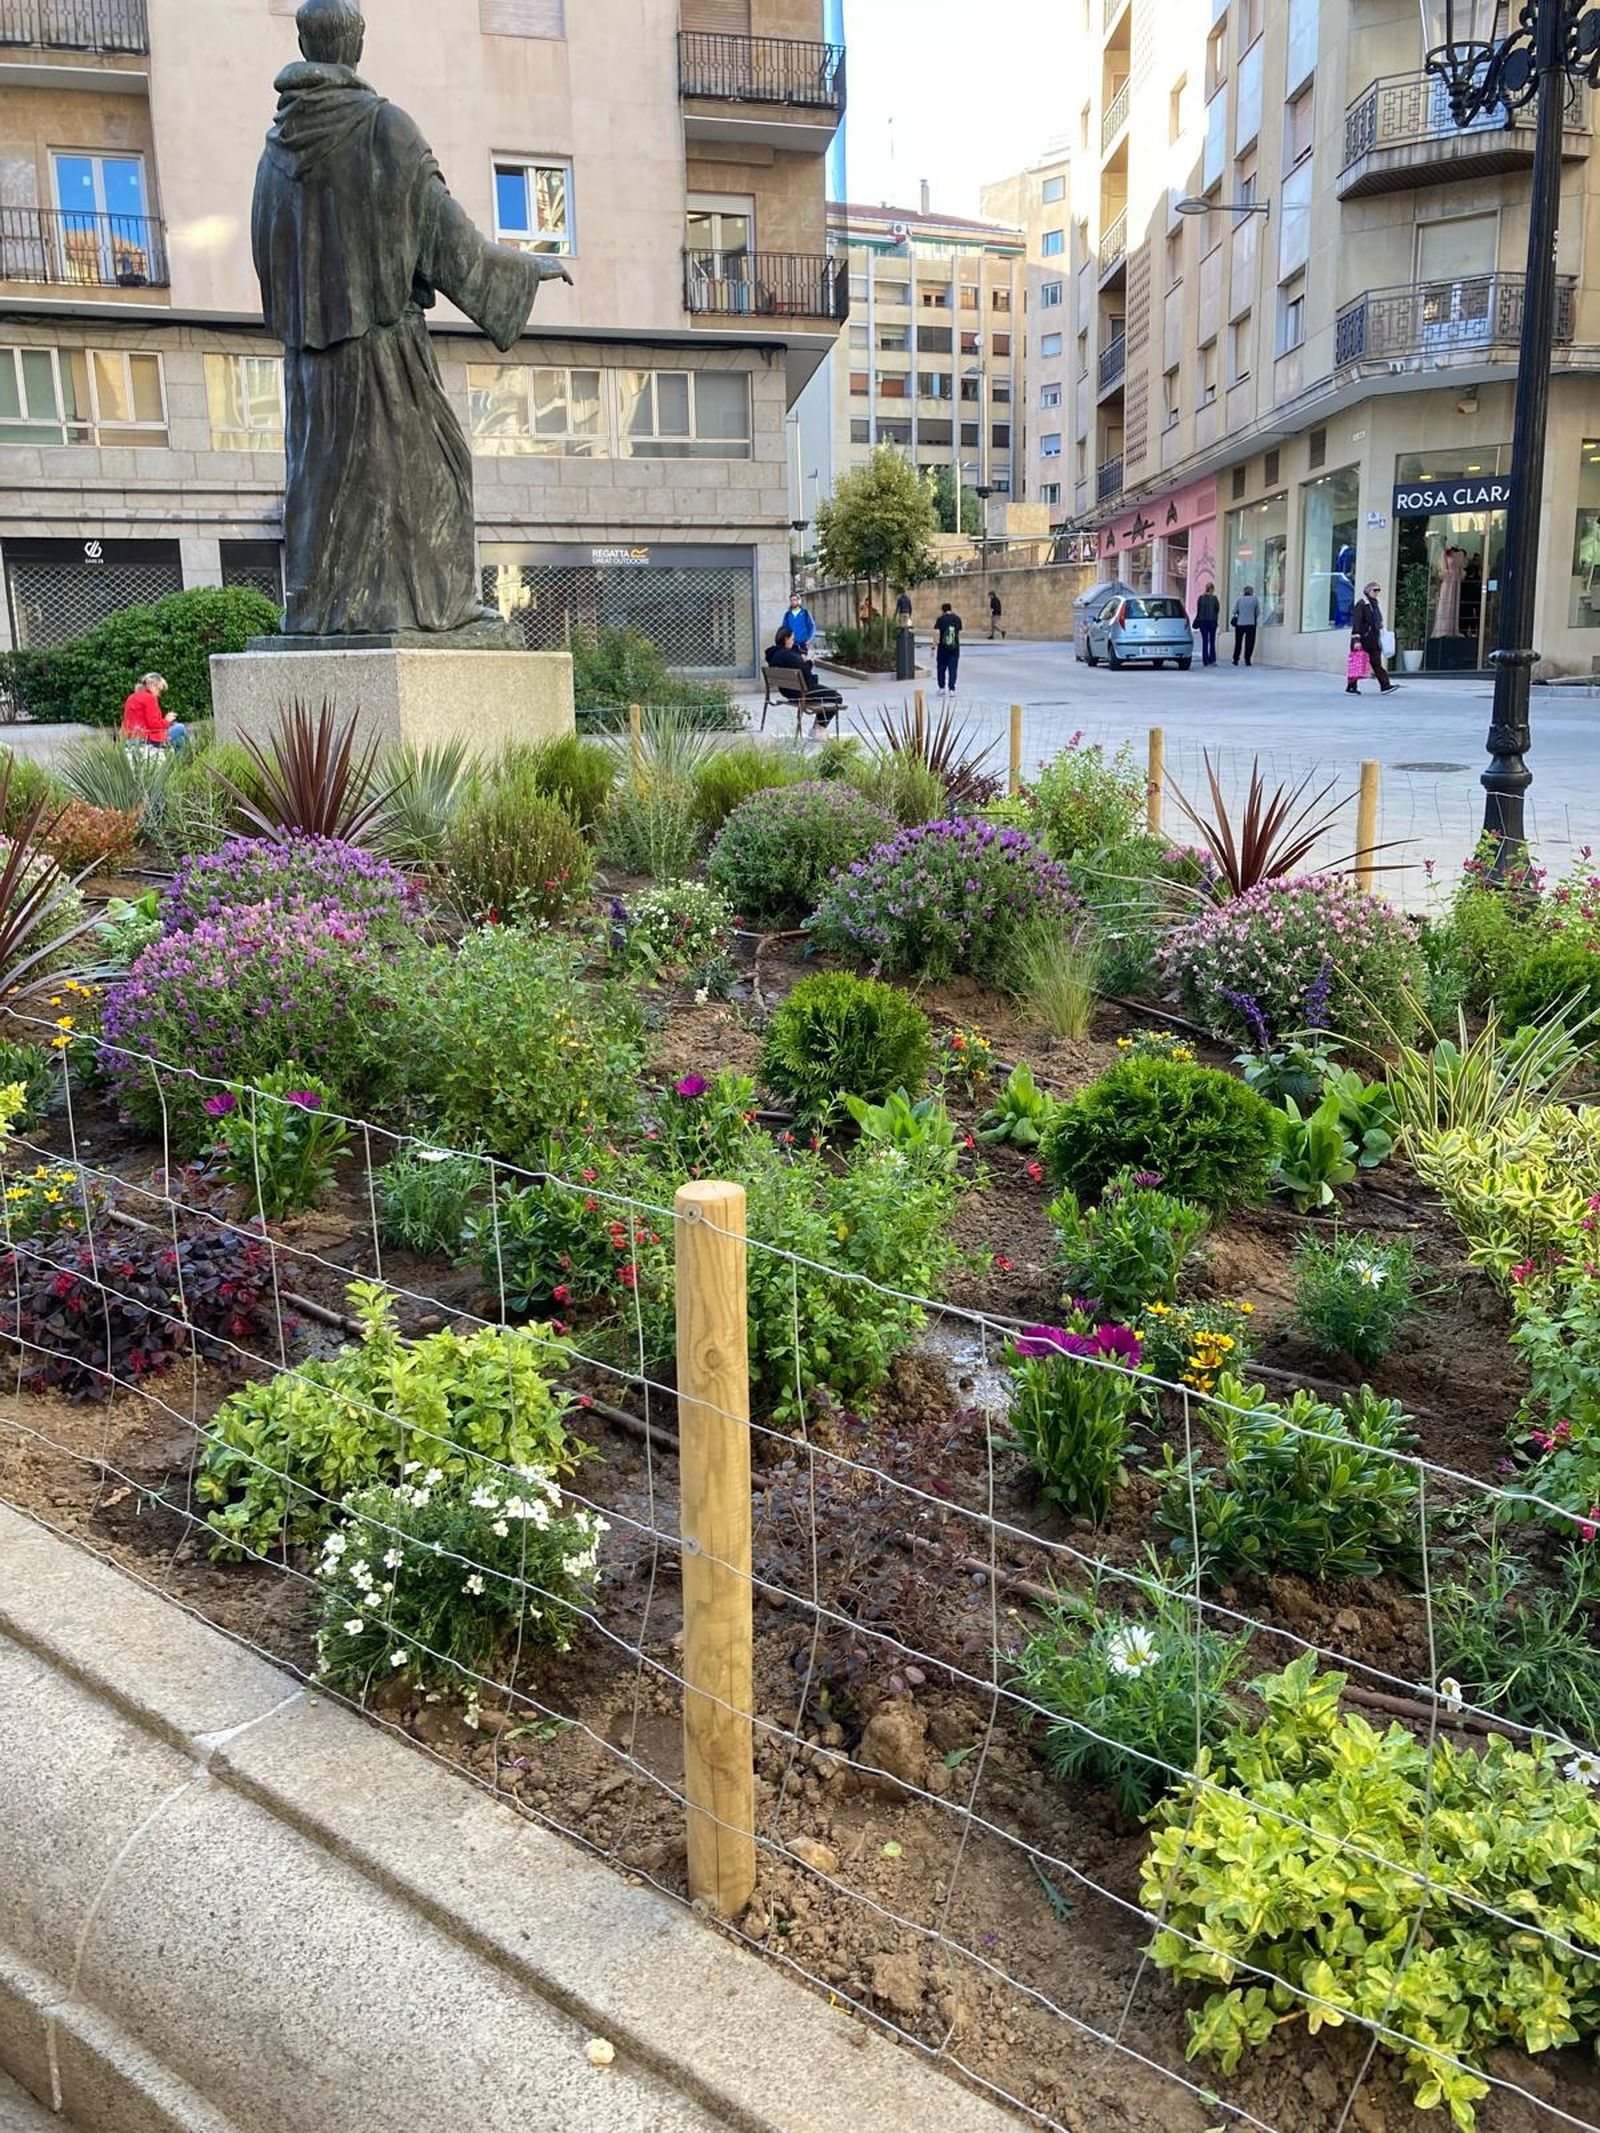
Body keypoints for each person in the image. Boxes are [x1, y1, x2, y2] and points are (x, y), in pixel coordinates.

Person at [253, 0, 570, 638]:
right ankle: (438, 607)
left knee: (324, 487)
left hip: (313, 368)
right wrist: (521, 268)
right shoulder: (383, 129)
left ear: (304, 40)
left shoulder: (276, 151)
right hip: (381, 350)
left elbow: (268, 251)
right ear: (358, 41)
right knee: (438, 469)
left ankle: (324, 609)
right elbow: (446, 237)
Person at [767, 624, 843, 737]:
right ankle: (818, 728)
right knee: (836, 697)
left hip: (789, 691)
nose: (793, 641)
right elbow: (805, 672)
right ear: (786, 639)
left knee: (827, 695)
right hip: (801, 692)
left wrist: (800, 659)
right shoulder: (788, 655)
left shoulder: (774, 655)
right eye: (792, 639)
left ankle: (817, 728)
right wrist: (809, 662)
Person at [1350, 581, 1397, 695]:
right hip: (1363, 638)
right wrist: (1356, 640)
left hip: (1374, 639)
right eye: (1374, 590)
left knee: (1376, 663)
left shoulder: (1374, 604)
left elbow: (1378, 621)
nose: (1377, 593)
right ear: (1368, 591)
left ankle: (1385, 685)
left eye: (1378, 590)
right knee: (1357, 662)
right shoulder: (1362, 604)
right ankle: (1351, 686)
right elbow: (1357, 622)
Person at [121, 672, 187, 751]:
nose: (159, 694)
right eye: (159, 690)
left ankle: (181, 760)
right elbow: (153, 725)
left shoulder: (131, 697)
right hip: (148, 740)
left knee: (179, 740)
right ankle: (190, 758)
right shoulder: (150, 698)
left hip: (131, 738)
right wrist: (167, 721)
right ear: (153, 686)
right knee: (180, 728)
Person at [933, 603, 963, 698]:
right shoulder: (957, 619)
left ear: (943, 610)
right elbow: (958, 633)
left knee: (941, 668)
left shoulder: (940, 619)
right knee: (953, 669)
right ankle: (951, 689)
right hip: (954, 648)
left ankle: (942, 688)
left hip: (942, 648)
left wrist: (934, 645)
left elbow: (937, 633)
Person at [1231, 585, 1260, 668]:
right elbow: (1257, 611)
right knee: (1250, 642)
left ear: (1244, 592)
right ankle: (1247, 660)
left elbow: (1234, 611)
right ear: (1251, 592)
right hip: (1251, 623)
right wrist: (1253, 617)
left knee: (1238, 642)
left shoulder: (1239, 599)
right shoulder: (1255, 599)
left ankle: (1236, 659)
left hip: (1240, 624)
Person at [1193, 581, 1220, 668]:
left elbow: (1198, 610)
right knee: (1212, 641)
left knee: (1205, 641)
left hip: (1203, 622)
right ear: (1212, 589)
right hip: (1212, 621)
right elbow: (1217, 609)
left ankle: (1205, 660)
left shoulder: (1200, 598)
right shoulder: (1214, 599)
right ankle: (1212, 659)